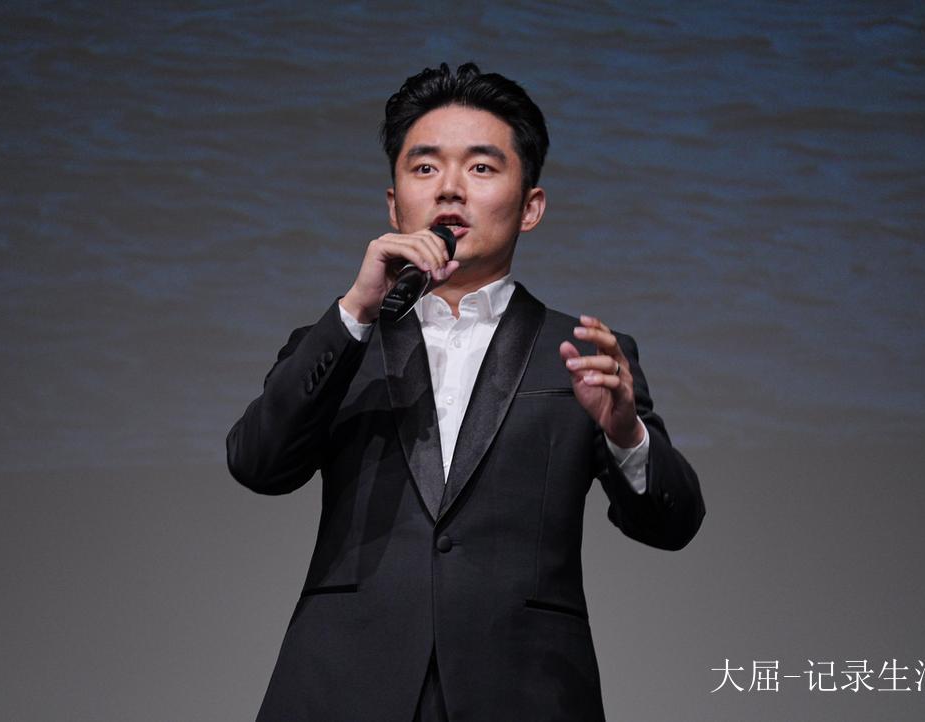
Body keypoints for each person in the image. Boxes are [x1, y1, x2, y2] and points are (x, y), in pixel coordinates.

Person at [227, 62, 705, 722]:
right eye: (425, 167)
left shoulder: (587, 352)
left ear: (530, 207)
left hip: (526, 693)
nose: (450, 187)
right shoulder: (339, 341)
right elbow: (257, 464)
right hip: (341, 689)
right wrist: (358, 307)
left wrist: (625, 432)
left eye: (481, 167)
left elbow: (674, 524)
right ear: (393, 204)